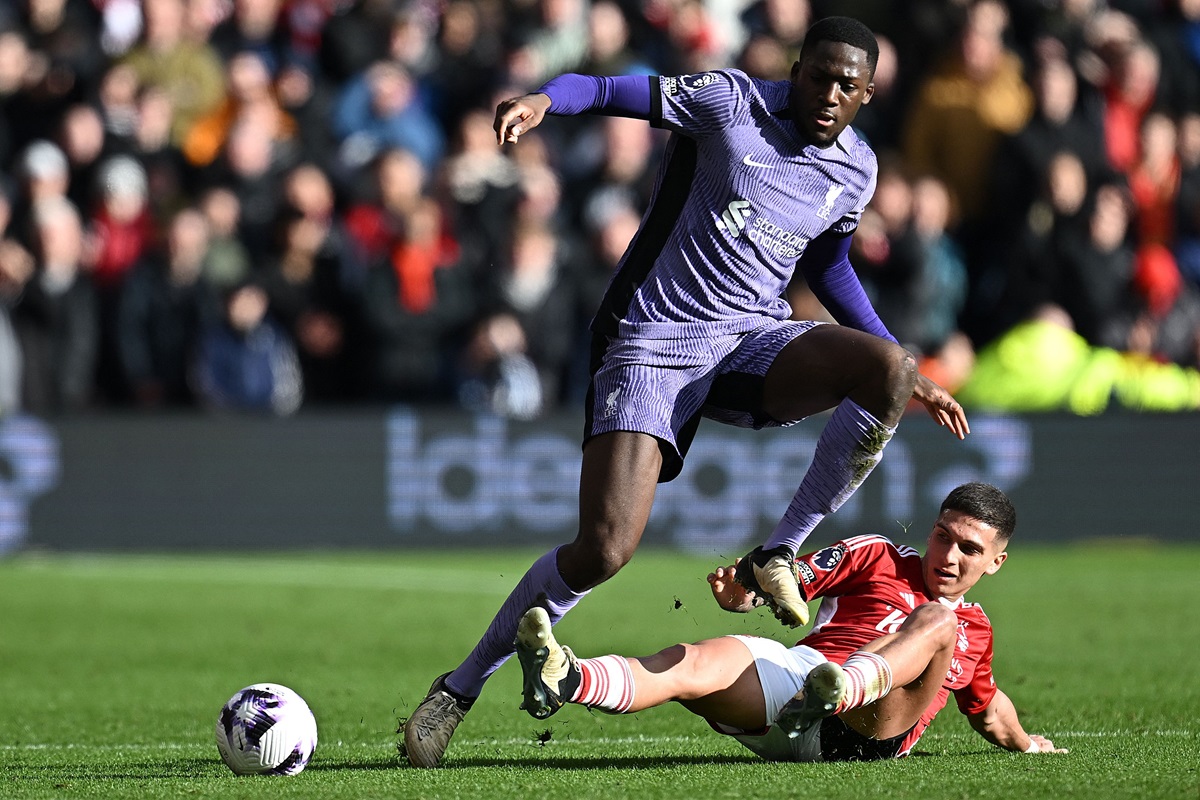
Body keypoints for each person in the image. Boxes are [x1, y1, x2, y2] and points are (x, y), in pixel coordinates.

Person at [402, 16, 969, 768]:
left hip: (753, 339)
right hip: (654, 338)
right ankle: (461, 687)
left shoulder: (856, 169)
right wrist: (546, 100)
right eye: (818, 75)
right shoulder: (729, 101)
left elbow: (829, 269)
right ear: (797, 71)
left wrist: (907, 362)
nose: (829, 94)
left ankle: (779, 553)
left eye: (847, 84)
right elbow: (608, 87)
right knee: (603, 551)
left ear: (867, 93)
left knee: (888, 370)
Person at [513, 482, 1069, 762]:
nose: (949, 556)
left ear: (995, 562)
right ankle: (567, 678)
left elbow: (989, 707)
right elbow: (790, 582)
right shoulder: (877, 555)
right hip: (803, 678)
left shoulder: (974, 629)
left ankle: (844, 689)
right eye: (943, 535)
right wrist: (744, 596)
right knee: (691, 661)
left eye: (969, 549)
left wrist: (1027, 744)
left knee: (937, 622)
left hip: (866, 731)